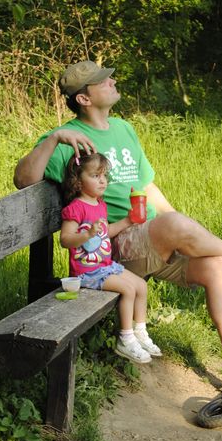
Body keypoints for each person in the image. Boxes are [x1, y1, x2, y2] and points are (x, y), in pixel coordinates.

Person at [14, 60, 222, 390]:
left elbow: (146, 187)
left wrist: (181, 230)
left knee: (216, 265)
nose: (112, 82)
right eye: (102, 81)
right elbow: (24, 179)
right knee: (201, 241)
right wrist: (54, 139)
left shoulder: (124, 129)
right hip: (113, 247)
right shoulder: (68, 140)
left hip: (153, 238)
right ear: (84, 99)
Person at [60, 151, 162, 364]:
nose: (102, 180)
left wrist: (128, 220)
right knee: (128, 289)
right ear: (78, 180)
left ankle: (140, 332)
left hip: (105, 266)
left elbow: (106, 232)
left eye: (104, 175)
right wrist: (87, 234)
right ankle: (125, 338)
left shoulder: (100, 205)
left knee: (141, 285)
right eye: (95, 175)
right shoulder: (75, 208)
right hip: (86, 273)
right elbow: (65, 239)